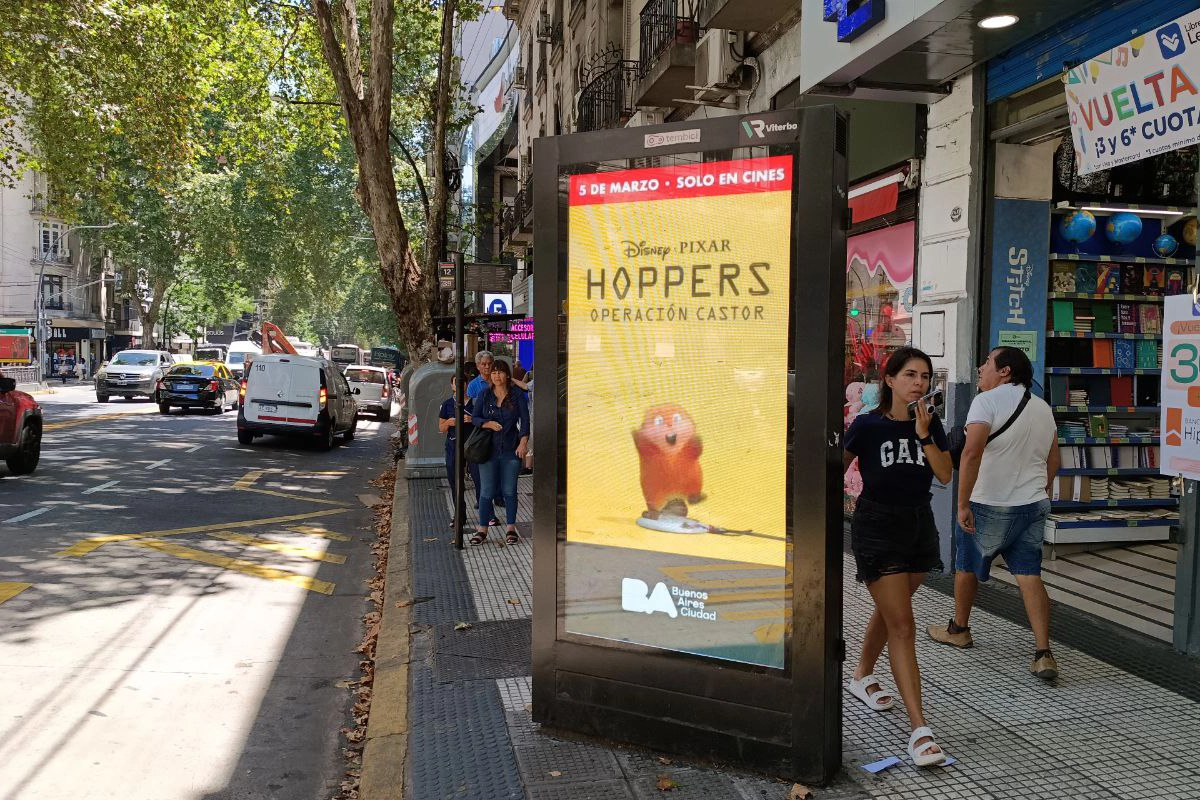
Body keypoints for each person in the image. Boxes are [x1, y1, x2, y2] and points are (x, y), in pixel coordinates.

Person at [843, 346, 953, 768]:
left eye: (925, 377)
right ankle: (920, 730)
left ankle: (861, 676)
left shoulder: (931, 423)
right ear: (889, 380)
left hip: (918, 526)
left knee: (893, 610)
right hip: (877, 526)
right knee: (903, 624)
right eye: (910, 375)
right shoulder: (867, 425)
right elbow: (838, 465)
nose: (919, 384)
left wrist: (924, 434)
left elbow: (945, 474)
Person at [927, 346, 1060, 680]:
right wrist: (1039, 490)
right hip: (1032, 504)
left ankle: (959, 630)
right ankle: (1043, 653)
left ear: (1005, 371)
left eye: (987, 362)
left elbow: (971, 453)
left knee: (967, 566)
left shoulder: (986, 402)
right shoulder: (1043, 407)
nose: (980, 367)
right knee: (1029, 574)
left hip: (990, 504)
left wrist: (962, 504)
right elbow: (1054, 459)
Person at [470, 360, 530, 546]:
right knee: (486, 491)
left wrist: (523, 443)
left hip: (511, 450)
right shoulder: (484, 394)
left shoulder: (517, 395)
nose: (496, 375)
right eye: (494, 372)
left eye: (500, 372)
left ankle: (511, 528)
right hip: (488, 450)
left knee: (509, 491)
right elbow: (475, 418)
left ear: (507, 375)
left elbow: (525, 421)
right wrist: (487, 423)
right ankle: (482, 529)